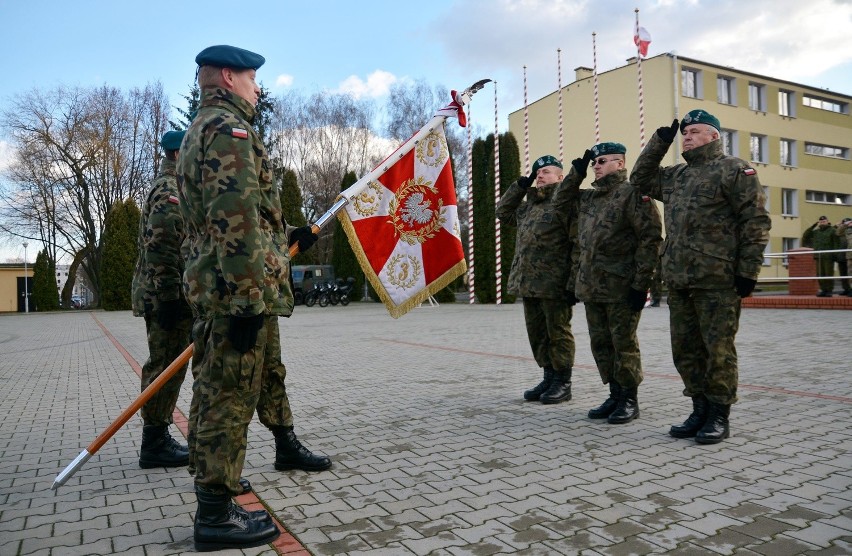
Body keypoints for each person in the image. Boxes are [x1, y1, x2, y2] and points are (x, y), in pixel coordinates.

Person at [177, 44, 325, 551]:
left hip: (221, 288)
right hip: (233, 294)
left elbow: (250, 221)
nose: (257, 87)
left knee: (217, 390)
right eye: (251, 77)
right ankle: (215, 515)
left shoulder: (205, 127)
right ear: (227, 76)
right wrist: (245, 300)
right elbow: (234, 222)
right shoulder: (228, 130)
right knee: (228, 398)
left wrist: (288, 242)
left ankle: (216, 497)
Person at [630, 109, 771, 445]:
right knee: (686, 350)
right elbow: (639, 178)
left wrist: (748, 271)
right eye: (685, 133)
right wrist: (659, 142)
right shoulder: (676, 175)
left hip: (717, 278)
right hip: (679, 278)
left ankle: (719, 414)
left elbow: (755, 222)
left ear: (714, 136)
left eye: (694, 131)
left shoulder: (734, 169)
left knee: (718, 349)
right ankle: (699, 409)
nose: (687, 137)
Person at [561, 142, 662, 424]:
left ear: (620, 163)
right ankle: (615, 394)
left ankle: (629, 399)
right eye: (594, 162)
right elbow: (560, 202)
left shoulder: (634, 193)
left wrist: (642, 284)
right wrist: (575, 173)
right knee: (601, 344)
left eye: (602, 161)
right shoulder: (590, 199)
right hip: (592, 286)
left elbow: (650, 240)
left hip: (621, 286)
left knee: (623, 344)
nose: (596, 165)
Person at [131, 130, 192, 469]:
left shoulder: (177, 187)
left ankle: (157, 436)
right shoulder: (170, 191)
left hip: (165, 293)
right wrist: (169, 297)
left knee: (170, 365)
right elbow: (162, 246)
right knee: (164, 366)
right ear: (176, 154)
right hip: (163, 297)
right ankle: (154, 442)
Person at [497, 155, 576, 405]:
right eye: (538, 172)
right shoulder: (528, 207)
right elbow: (502, 211)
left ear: (561, 177)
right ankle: (548, 376)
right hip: (529, 283)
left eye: (547, 172)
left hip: (555, 283)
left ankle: (563, 382)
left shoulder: (565, 204)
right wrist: (520, 186)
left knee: (558, 333)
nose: (540, 176)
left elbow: (576, 243)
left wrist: (573, 280)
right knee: (538, 334)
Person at [802, 216, 840, 296]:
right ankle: (823, 290)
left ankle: (829, 290)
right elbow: (806, 235)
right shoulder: (816, 232)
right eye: (821, 221)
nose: (822, 223)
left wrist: (835, 254)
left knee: (828, 273)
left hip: (828, 256)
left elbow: (836, 243)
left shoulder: (832, 230)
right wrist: (813, 225)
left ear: (827, 221)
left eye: (824, 221)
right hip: (818, 256)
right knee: (820, 274)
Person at [834, 218, 851, 296]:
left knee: (849, 273)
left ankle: (849, 289)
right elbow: (837, 232)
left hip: (848, 255)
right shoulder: (844, 231)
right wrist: (843, 225)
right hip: (844, 256)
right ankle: (847, 289)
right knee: (846, 274)